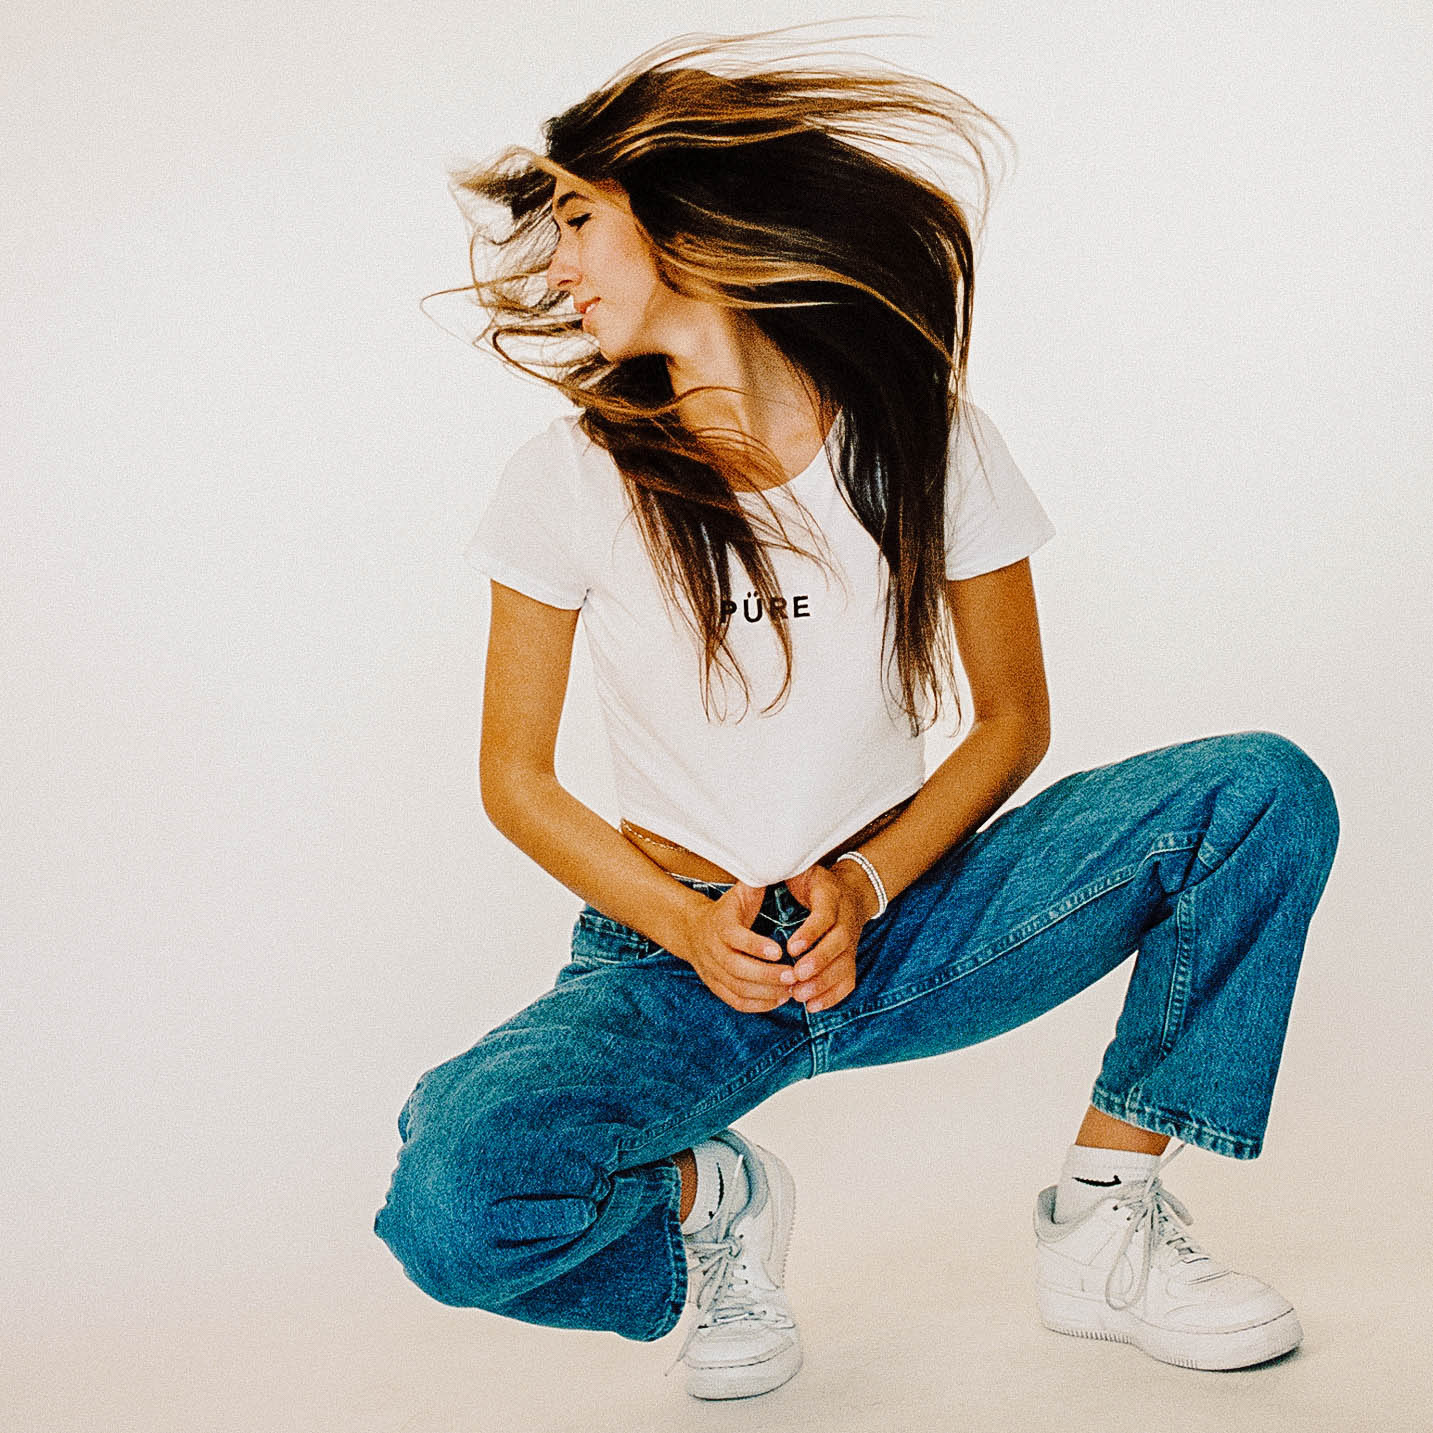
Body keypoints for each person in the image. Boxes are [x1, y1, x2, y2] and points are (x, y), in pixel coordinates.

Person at [375, 28, 1340, 1402]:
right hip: (674, 953)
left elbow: (1011, 718)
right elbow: (514, 779)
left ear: (689, 217)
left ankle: (1105, 1220)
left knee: (1257, 791)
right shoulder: (567, 476)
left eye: (580, 219)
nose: (557, 263)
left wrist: (869, 881)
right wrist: (690, 930)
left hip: (913, 917)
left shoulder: (925, 435)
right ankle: (709, 1203)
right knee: (452, 1196)